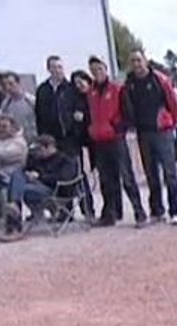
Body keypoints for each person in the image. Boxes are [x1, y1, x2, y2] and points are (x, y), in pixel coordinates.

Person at [87, 56, 148, 228]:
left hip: (115, 140)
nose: (97, 73)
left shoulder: (117, 89)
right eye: (93, 70)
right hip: (99, 141)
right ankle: (109, 214)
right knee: (106, 180)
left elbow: (128, 113)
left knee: (126, 177)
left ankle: (139, 212)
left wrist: (117, 129)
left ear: (106, 70)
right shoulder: (91, 93)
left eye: (100, 69)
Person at [124, 50, 177, 224]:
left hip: (162, 131)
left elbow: (172, 101)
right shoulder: (129, 83)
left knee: (169, 173)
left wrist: (173, 122)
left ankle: (175, 211)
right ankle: (157, 210)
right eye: (133, 61)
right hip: (143, 132)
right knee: (151, 174)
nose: (136, 64)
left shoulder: (159, 79)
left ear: (145, 61)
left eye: (139, 60)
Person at [2, 134, 79, 242]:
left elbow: (65, 179)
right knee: (17, 174)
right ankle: (14, 206)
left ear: (50, 147)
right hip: (34, 187)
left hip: (53, 191)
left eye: (40, 149)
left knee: (19, 188)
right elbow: (25, 170)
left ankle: (14, 225)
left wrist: (40, 177)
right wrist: (30, 174)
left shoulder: (64, 160)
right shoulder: (38, 159)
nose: (37, 153)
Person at [0, 115, 28, 219]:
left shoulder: (19, 142)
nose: (1, 129)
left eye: (4, 126)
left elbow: (4, 155)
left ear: (13, 127)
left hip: (6, 177)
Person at [68, 69, 97, 218]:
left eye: (81, 81)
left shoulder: (95, 95)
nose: (79, 85)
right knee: (79, 173)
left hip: (98, 138)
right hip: (81, 140)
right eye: (76, 83)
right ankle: (87, 209)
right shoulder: (75, 100)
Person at [35, 55, 78, 152]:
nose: (58, 70)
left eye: (60, 67)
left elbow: (77, 108)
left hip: (69, 137)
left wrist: (76, 131)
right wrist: (42, 135)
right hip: (50, 138)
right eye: (54, 67)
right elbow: (39, 114)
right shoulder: (42, 90)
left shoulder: (70, 88)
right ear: (49, 69)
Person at [0, 73, 37, 144]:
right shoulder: (5, 104)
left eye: (11, 84)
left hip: (33, 142)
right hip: (15, 142)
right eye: (5, 85)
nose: (8, 87)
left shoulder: (31, 101)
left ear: (18, 83)